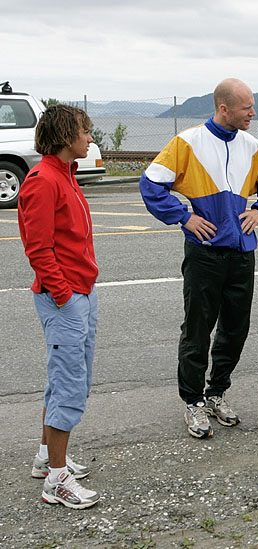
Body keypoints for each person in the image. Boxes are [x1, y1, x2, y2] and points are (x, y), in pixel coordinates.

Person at [140, 78, 258, 439]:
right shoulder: (188, 142)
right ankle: (193, 401)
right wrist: (184, 217)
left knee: (235, 329)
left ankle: (217, 392)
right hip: (204, 253)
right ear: (224, 108)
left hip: (242, 254)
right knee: (197, 329)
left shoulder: (252, 146)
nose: (253, 113)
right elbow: (151, 183)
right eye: (247, 107)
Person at [18, 104, 100, 508]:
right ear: (66, 136)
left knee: (65, 380)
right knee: (69, 384)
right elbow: (38, 249)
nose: (90, 138)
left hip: (80, 292)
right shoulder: (43, 180)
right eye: (85, 131)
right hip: (64, 298)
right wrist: (65, 296)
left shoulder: (65, 174)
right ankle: (56, 479)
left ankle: (45, 457)